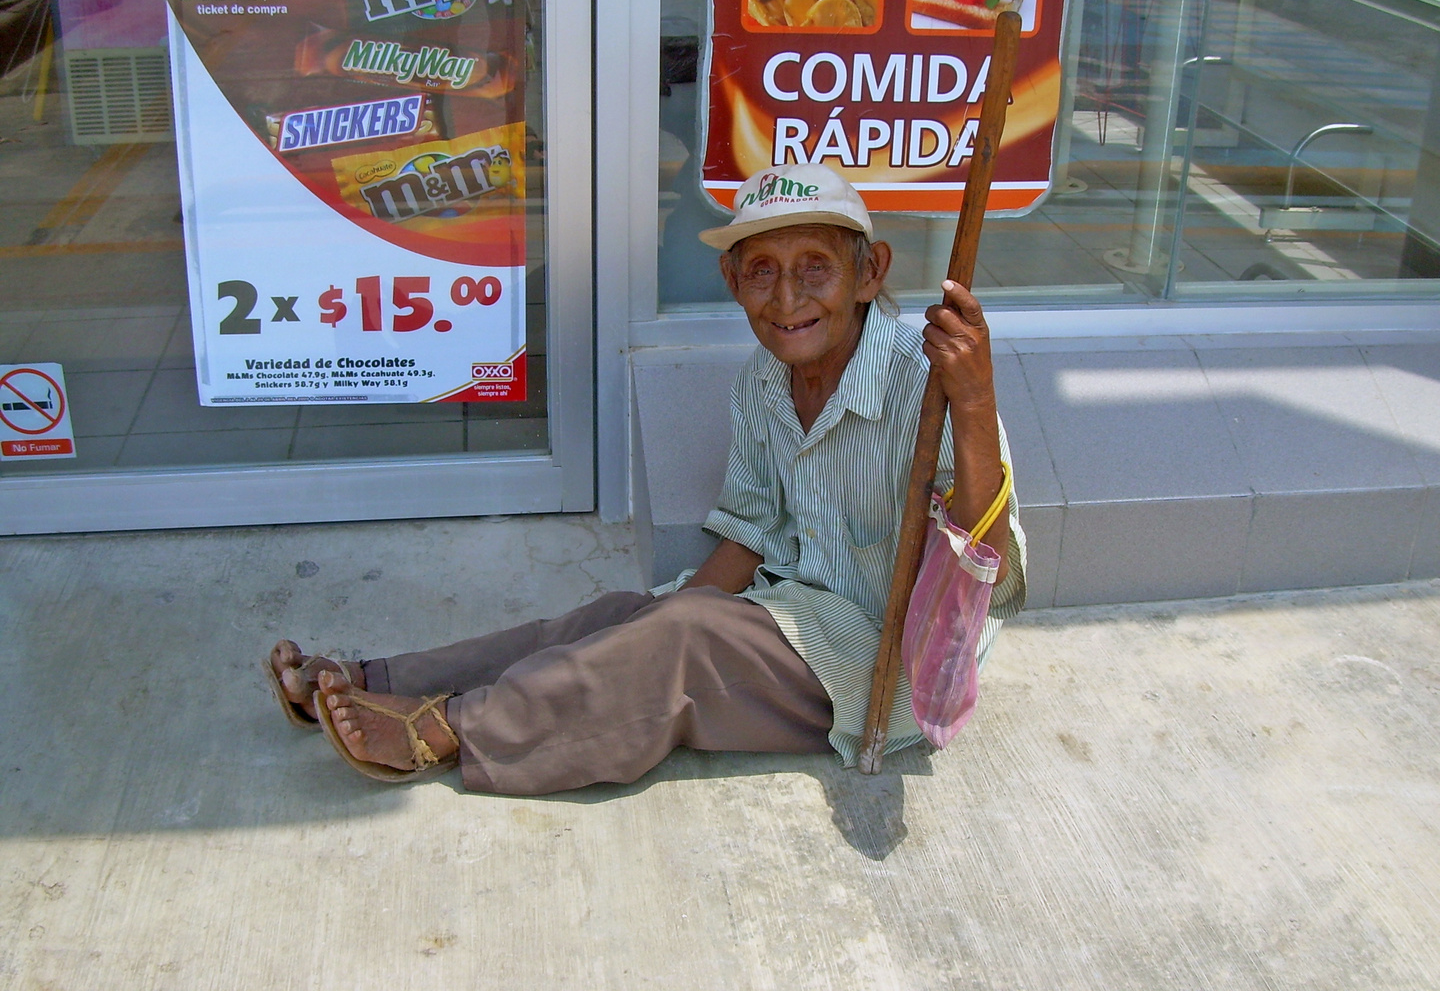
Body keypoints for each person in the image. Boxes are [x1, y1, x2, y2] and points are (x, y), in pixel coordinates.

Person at [266, 163, 1026, 794]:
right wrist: (646, 625)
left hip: (879, 665)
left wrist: (977, 400)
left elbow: (998, 573)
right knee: (622, 615)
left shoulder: (928, 383)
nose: (788, 299)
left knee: (683, 634)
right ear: (732, 281)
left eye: (815, 268)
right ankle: (374, 675)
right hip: (792, 615)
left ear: (871, 273)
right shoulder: (763, 384)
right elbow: (748, 536)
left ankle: (442, 729)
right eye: (762, 271)